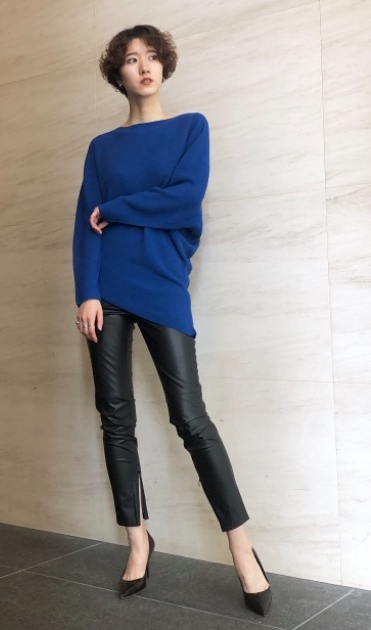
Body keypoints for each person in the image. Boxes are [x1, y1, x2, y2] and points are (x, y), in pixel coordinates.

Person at [72, 24, 272, 616]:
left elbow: (184, 200)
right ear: (118, 73)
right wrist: (87, 292)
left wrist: (116, 207)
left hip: (162, 284)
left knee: (191, 418)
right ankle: (137, 541)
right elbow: (85, 224)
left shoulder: (191, 128)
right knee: (116, 419)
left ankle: (242, 549)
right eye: (132, 59)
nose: (144, 67)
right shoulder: (102, 148)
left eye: (153, 57)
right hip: (107, 290)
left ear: (165, 66)